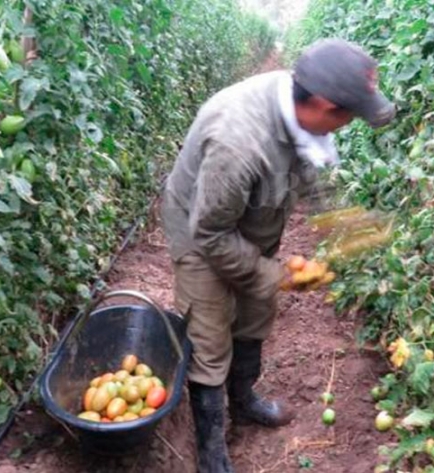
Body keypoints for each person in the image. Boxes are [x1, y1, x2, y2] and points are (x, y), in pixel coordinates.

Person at [160, 38, 397, 473]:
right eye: (348, 116)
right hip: (202, 231)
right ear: (326, 106)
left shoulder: (295, 106)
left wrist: (340, 220)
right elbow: (211, 233)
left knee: (255, 309)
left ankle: (245, 400)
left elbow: (307, 164)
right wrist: (275, 273)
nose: (348, 125)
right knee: (211, 338)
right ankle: (211, 451)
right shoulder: (239, 143)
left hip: (251, 218)